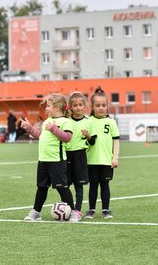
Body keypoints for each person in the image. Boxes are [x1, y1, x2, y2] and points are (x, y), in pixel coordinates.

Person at [21, 94, 80, 222]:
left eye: (48, 106)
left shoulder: (66, 121)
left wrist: (54, 129)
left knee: (62, 187)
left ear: (57, 107)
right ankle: (36, 212)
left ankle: (74, 212)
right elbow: (40, 136)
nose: (46, 109)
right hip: (43, 161)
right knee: (41, 187)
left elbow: (67, 138)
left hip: (57, 161)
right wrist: (30, 128)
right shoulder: (47, 121)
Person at [84, 87, 120, 219]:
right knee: (93, 186)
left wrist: (115, 158)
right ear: (92, 107)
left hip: (106, 160)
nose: (101, 108)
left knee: (105, 185)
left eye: (104, 105)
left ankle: (105, 210)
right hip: (91, 160)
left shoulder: (111, 122)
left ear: (107, 106)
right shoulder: (88, 121)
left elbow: (116, 141)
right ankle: (91, 209)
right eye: (98, 105)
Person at [65, 92, 91, 220]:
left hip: (80, 155)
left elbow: (92, 142)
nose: (78, 107)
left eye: (81, 105)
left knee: (78, 185)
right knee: (65, 184)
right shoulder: (67, 121)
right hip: (66, 155)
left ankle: (78, 210)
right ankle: (67, 208)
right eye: (75, 105)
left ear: (85, 106)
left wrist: (88, 136)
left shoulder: (88, 121)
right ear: (71, 107)